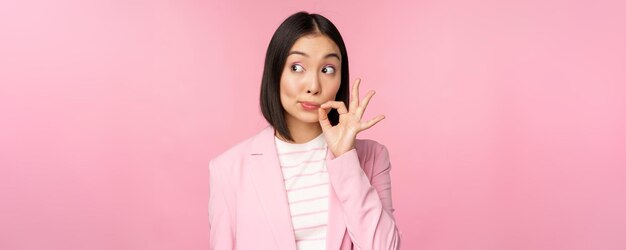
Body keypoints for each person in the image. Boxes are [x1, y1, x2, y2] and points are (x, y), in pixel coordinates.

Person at [208, 11, 401, 250]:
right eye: (297, 67)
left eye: (328, 69)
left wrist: (345, 159)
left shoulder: (372, 157)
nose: (313, 86)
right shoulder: (227, 169)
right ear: (275, 72)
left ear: (341, 77)